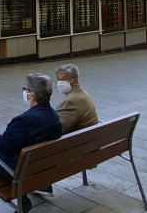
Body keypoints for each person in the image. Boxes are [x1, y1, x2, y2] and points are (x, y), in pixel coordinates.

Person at [0, 73, 62, 213]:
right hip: (43, 169)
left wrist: (1, 136)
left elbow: (3, 146)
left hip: (23, 172)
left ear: (32, 95)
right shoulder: (54, 116)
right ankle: (22, 201)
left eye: (25, 89)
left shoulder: (24, 121)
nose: (24, 91)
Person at [36, 63, 99, 197]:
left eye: (63, 79)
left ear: (74, 81)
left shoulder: (71, 101)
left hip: (79, 151)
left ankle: (41, 184)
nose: (60, 83)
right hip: (90, 145)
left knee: (36, 145)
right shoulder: (82, 94)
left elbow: (57, 129)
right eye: (58, 79)